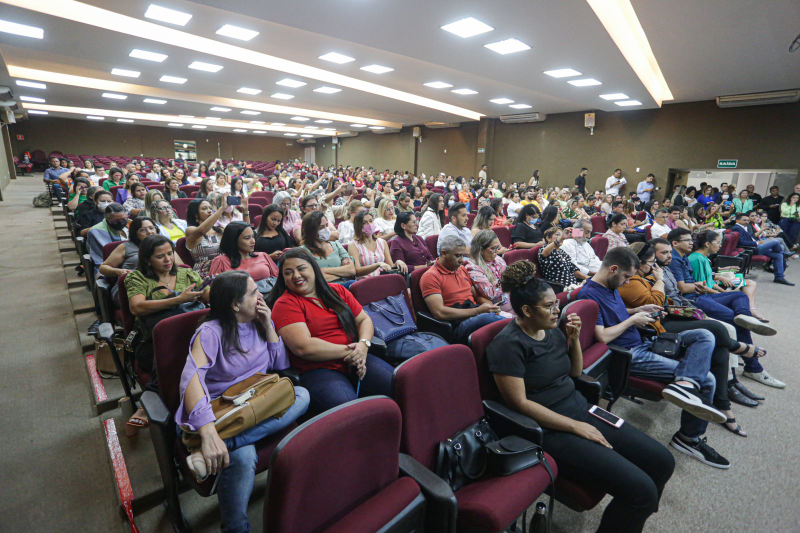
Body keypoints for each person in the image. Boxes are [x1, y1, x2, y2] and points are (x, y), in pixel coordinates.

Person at [488, 261, 674, 533]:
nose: (557, 311)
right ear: (526, 311)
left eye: (556, 304)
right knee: (641, 491)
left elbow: (574, 372)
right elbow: (520, 403)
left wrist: (573, 339)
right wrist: (576, 426)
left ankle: (632, 517)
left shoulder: (550, 329)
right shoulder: (507, 345)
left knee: (662, 462)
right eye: (549, 306)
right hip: (548, 429)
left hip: (581, 408)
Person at [177, 270, 309, 533]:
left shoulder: (257, 322)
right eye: (253, 292)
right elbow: (190, 379)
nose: (260, 295)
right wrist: (207, 429)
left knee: (302, 394)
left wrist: (269, 323)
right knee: (241, 455)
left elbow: (280, 365)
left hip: (258, 396)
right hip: (226, 405)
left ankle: (228, 439)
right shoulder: (211, 332)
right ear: (235, 304)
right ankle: (236, 528)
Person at [578, 247, 729, 467]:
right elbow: (602, 335)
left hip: (643, 343)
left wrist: (639, 310)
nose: (626, 282)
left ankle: (686, 383)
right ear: (612, 269)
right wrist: (633, 321)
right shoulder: (589, 294)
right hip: (629, 355)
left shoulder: (609, 287)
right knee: (708, 380)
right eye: (626, 277)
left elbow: (615, 315)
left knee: (704, 335)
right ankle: (688, 438)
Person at [620, 242, 755, 436]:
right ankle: (735, 358)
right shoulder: (632, 279)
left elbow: (665, 298)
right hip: (657, 326)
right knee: (717, 331)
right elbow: (657, 302)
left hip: (674, 311)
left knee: (716, 336)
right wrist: (658, 281)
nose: (666, 257)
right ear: (640, 262)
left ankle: (726, 390)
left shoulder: (654, 272)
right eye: (659, 256)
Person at [269, 248, 393, 412]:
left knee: (401, 385)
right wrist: (352, 352)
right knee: (350, 411)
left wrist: (363, 345)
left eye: (301, 268)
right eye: (288, 272)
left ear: (314, 268)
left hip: (357, 358)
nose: (296, 276)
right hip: (318, 369)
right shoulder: (286, 304)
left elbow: (364, 320)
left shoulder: (338, 290)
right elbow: (304, 347)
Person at [664, 230, 785, 390]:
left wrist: (714, 279)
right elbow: (684, 287)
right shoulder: (681, 259)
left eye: (691, 240)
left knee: (739, 297)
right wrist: (703, 285)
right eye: (687, 240)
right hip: (694, 299)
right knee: (733, 319)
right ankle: (752, 368)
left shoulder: (685, 257)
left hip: (700, 294)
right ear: (675, 243)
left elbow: (697, 281)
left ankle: (746, 316)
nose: (691, 243)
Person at [125, 235, 209, 429]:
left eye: (170, 254)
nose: (168, 260)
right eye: (160, 256)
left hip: (190, 339)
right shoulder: (137, 277)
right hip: (152, 345)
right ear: (147, 259)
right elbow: (136, 307)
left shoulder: (185, 274)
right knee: (180, 351)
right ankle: (151, 399)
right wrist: (178, 300)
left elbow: (207, 293)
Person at [421, 235, 505, 343]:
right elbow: (439, 312)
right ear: (443, 253)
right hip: (456, 324)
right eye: (457, 256)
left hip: (473, 312)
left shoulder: (461, 269)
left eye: (463, 256)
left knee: (496, 320)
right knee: (490, 320)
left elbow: (475, 294)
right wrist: (477, 311)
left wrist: (490, 307)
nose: (462, 260)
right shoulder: (430, 276)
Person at [99, 217, 157, 302]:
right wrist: (119, 272)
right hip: (130, 287)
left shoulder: (163, 244)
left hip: (158, 283)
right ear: (135, 233)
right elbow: (103, 268)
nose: (149, 232)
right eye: (143, 230)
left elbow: (179, 266)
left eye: (151, 228)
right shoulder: (126, 247)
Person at [730, 213, 793, 285]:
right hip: (751, 249)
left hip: (755, 246)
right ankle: (784, 253)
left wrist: (757, 242)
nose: (747, 222)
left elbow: (750, 238)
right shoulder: (737, 228)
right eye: (744, 220)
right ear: (737, 221)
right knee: (775, 242)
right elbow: (741, 242)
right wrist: (756, 243)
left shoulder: (743, 227)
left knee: (778, 255)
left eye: (747, 220)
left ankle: (779, 277)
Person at [299, 211, 356, 286]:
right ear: (311, 230)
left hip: (343, 285)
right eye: (321, 227)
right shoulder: (303, 252)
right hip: (323, 289)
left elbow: (351, 270)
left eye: (326, 225)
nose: (326, 229)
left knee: (355, 285)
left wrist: (323, 270)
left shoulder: (335, 244)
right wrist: (342, 272)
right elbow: (313, 278)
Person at [210, 222, 279, 282]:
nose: (253, 241)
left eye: (253, 236)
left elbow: (279, 279)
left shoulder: (263, 255)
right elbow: (214, 290)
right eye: (247, 238)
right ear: (233, 240)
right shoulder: (220, 261)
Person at [348, 211, 407, 279]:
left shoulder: (382, 242)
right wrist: (377, 265)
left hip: (384, 278)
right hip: (366, 281)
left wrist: (397, 263)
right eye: (364, 223)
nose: (369, 224)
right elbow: (357, 271)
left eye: (371, 221)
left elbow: (390, 266)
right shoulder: (353, 245)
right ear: (358, 226)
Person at [464, 230, 509, 310]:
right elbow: (490, 293)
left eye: (497, 247)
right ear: (481, 250)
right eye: (493, 248)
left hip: (510, 297)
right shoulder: (473, 268)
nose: (497, 251)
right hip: (498, 306)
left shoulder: (498, 260)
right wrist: (511, 282)